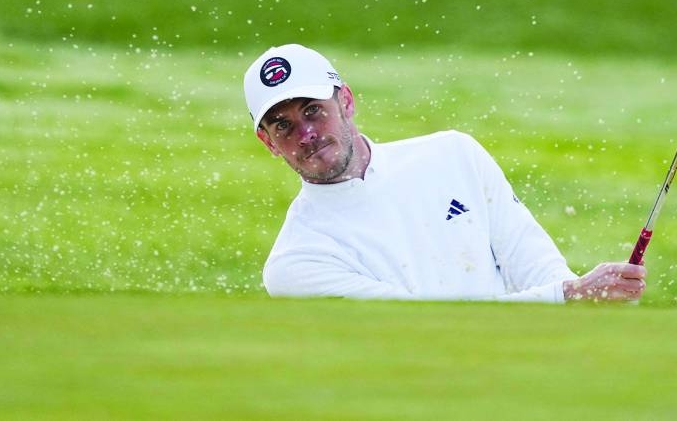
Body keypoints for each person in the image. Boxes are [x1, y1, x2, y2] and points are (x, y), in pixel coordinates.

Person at [244, 43, 647, 303]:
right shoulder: (295, 263)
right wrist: (571, 296)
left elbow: (535, 265)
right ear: (268, 143)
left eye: (313, 110)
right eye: (284, 125)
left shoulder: (454, 154)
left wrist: (586, 301)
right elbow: (431, 327)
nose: (307, 134)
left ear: (346, 101)